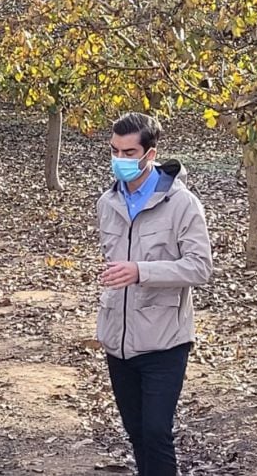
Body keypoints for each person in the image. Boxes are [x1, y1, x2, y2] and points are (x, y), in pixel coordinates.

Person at [96, 112, 213, 476]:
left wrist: (141, 272)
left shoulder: (182, 204)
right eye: (114, 151)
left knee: (156, 431)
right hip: (118, 339)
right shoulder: (107, 202)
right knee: (136, 433)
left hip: (165, 340)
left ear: (150, 154)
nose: (120, 160)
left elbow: (200, 267)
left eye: (129, 153)